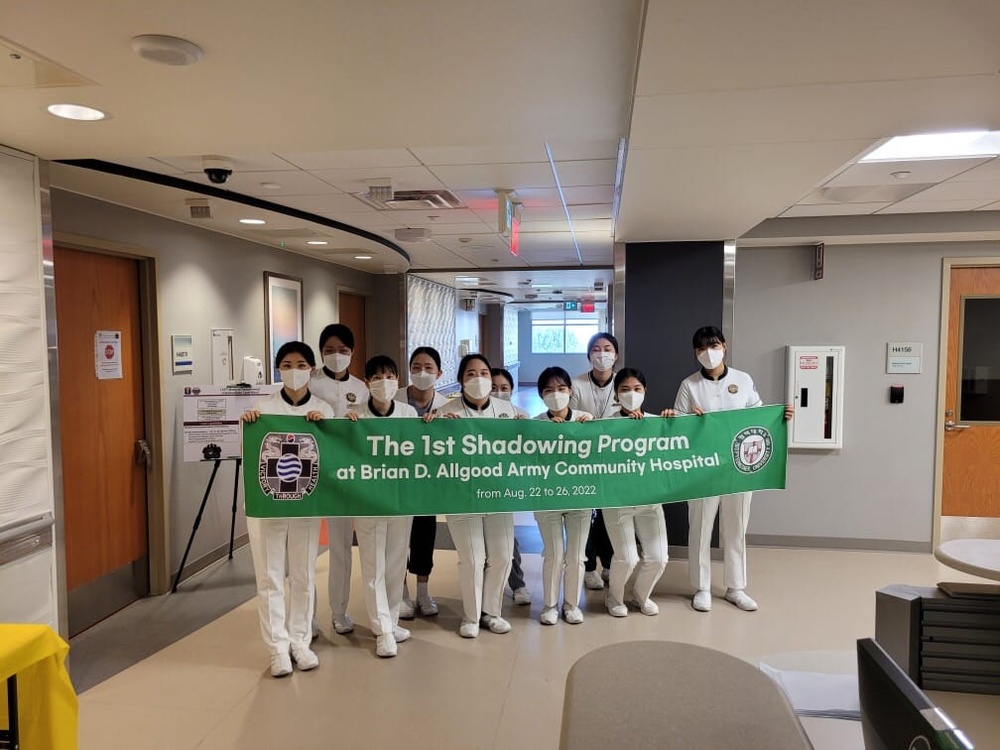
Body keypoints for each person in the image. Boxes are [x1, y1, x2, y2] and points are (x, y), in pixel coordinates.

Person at [671, 326, 793, 614]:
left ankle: (735, 586)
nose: (708, 353)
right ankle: (701, 587)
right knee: (700, 527)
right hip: (702, 469)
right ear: (695, 353)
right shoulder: (689, 385)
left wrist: (781, 416)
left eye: (713, 346)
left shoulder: (743, 379)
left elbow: (759, 414)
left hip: (739, 467)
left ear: (724, 346)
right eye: (701, 348)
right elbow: (675, 424)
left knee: (736, 527)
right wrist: (689, 419)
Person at [241, 341, 333, 677]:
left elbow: (336, 454)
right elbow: (253, 457)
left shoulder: (325, 409)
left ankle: (300, 641)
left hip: (306, 503)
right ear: (279, 369)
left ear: (311, 369)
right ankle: (277, 647)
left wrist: (325, 427)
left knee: (303, 574)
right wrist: (248, 425)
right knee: (270, 576)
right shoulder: (262, 410)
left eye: (301, 364)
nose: (294, 371)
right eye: (287, 364)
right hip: (269, 505)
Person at [439, 354, 519, 638]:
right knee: (472, 559)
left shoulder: (509, 410)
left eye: (484, 372)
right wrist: (434, 428)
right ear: (461, 380)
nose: (479, 379)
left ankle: (492, 612)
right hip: (462, 497)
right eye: (471, 374)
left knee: (501, 557)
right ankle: (471, 617)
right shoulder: (445, 413)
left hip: (499, 495)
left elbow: (533, 442)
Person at [346, 355, 419, 657]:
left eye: (389, 375)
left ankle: (391, 618)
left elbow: (419, 450)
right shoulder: (355, 416)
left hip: (401, 500)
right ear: (366, 383)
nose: (384, 382)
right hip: (369, 502)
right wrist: (345, 427)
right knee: (373, 565)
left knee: (395, 563)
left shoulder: (408, 412)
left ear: (398, 379)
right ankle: (381, 630)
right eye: (376, 377)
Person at [309, 323, 368, 635]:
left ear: (352, 353)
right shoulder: (308, 382)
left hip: (346, 476)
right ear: (321, 352)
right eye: (329, 350)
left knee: (342, 547)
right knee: (304, 551)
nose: (336, 356)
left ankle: (339, 611)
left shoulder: (361, 387)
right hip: (312, 474)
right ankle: (307, 618)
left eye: (343, 351)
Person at [600, 367, 669, 618]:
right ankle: (614, 597)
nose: (631, 394)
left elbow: (682, 442)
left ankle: (640, 596)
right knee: (627, 558)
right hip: (617, 502)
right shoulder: (605, 426)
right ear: (616, 395)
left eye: (637, 389)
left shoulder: (657, 422)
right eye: (625, 389)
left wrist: (675, 421)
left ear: (645, 391)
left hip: (649, 501)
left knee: (659, 558)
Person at [532, 366, 594, 625]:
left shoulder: (585, 418)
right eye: (548, 390)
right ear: (541, 395)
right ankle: (549, 605)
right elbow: (527, 461)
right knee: (554, 553)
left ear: (570, 391)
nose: (556, 394)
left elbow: (599, 454)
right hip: (548, 499)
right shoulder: (536, 424)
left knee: (576, 555)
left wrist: (585, 433)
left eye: (561, 388)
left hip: (580, 498)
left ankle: (571, 604)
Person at [395, 347, 449, 620]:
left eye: (428, 368)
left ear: (439, 373)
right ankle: (401, 592)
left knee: (425, 534)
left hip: (429, 483)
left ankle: (423, 592)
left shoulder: (447, 404)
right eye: (416, 367)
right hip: (397, 481)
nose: (422, 373)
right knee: (398, 538)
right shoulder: (394, 398)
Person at [569, 333, 619, 591]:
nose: (602, 354)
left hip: (613, 462)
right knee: (586, 514)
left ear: (616, 354)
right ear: (589, 355)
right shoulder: (576, 384)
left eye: (607, 348)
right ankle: (589, 567)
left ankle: (610, 563)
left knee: (610, 515)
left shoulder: (624, 384)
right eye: (596, 349)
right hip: (584, 461)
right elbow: (570, 419)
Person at [490, 367, 532, 606]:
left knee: (508, 539)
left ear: (512, 390)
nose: (498, 392)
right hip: (477, 485)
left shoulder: (520, 415)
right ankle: (488, 588)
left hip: (504, 486)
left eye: (504, 388)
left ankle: (518, 584)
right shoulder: (474, 415)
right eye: (494, 387)